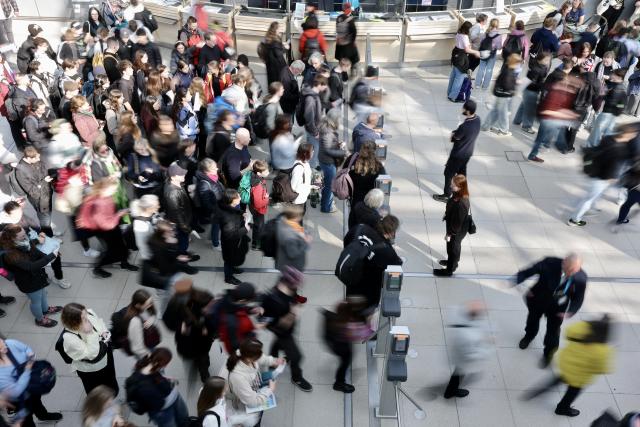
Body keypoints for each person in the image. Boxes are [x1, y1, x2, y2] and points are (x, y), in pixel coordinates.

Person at [524, 315, 613, 417]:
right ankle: (562, 408)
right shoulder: (603, 350)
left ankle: (538, 391)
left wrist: (587, 323)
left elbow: (567, 332)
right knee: (572, 392)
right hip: (579, 376)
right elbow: (602, 369)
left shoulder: (580, 328)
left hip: (566, 364)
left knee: (559, 379)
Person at [514, 253, 587, 367]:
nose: (571, 273)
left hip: (558, 309)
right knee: (532, 321)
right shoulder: (550, 263)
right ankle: (529, 336)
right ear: (564, 262)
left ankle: (548, 353)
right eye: (569, 269)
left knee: (553, 332)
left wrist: (570, 312)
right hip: (538, 300)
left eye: (575, 270)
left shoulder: (580, 278)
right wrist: (518, 279)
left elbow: (578, 298)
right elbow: (530, 271)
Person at [568, 124, 638, 226]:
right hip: (602, 178)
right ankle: (574, 220)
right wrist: (612, 179)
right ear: (626, 135)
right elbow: (613, 169)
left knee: (594, 195)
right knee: (588, 199)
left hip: (595, 171)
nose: (633, 136)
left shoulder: (608, 138)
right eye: (632, 135)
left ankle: (592, 208)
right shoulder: (621, 150)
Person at [261, 268, 313, 392]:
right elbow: (280, 325)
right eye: (297, 284)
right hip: (281, 330)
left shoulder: (288, 287)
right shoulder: (276, 301)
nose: (298, 286)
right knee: (297, 357)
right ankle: (297, 378)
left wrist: (297, 300)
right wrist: (294, 313)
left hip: (284, 329)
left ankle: (272, 362)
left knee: (278, 343)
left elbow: (294, 296)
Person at [0, 224, 62, 327]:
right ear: (12, 238)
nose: (26, 237)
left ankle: (45, 310)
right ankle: (40, 319)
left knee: (42, 294)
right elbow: (30, 267)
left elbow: (36, 251)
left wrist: (45, 256)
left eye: (25, 234)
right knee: (36, 301)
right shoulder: (10, 254)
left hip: (37, 276)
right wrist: (51, 256)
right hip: (27, 281)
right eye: (22, 236)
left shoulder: (23, 242)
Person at [76, 178, 137, 278]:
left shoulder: (105, 196)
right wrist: (119, 214)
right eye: (113, 189)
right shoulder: (99, 203)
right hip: (105, 230)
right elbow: (105, 224)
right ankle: (97, 268)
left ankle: (124, 263)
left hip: (112, 226)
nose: (115, 191)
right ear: (105, 189)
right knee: (111, 251)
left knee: (122, 246)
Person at [0, 335, 63, 426]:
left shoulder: (10, 343)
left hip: (32, 386)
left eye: (2, 341)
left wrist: (30, 355)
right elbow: (16, 391)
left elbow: (26, 348)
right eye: (0, 347)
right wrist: (27, 370)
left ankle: (42, 415)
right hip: (20, 400)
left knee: (37, 402)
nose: (5, 346)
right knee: (27, 421)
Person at [59, 302, 119, 395]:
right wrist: (89, 333)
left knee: (110, 377)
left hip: (106, 355)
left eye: (86, 314)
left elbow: (99, 322)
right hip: (92, 369)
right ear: (74, 322)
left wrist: (103, 332)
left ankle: (112, 393)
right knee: (96, 390)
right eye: (83, 318)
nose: (87, 318)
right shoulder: (69, 338)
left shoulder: (88, 313)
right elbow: (92, 354)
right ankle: (98, 406)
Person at [218, 338, 282, 425]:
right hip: (242, 399)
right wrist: (270, 390)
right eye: (258, 354)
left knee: (270, 378)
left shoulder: (243, 353)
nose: (261, 355)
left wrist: (274, 361)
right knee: (255, 416)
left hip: (252, 384)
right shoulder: (238, 377)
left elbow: (261, 357)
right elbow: (252, 402)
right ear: (249, 359)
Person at [527, 60, 581, 163]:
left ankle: (538, 150)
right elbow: (551, 106)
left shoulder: (556, 82)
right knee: (557, 135)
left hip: (548, 117)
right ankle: (545, 149)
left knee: (544, 135)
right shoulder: (558, 91)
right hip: (550, 118)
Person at [344, 215, 402, 310]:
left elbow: (347, 241)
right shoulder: (387, 251)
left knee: (351, 309)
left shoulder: (360, 229)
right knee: (363, 315)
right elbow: (396, 266)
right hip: (369, 291)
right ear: (392, 233)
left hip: (352, 281)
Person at [163, 278, 214, 383]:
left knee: (203, 356)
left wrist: (207, 326)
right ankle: (196, 363)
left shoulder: (204, 297)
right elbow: (168, 321)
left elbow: (213, 315)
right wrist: (179, 326)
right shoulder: (174, 304)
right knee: (190, 354)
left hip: (202, 336)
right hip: (185, 337)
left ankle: (204, 373)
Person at [125, 348, 190, 427]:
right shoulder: (145, 388)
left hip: (171, 400)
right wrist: (171, 385)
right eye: (166, 364)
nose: (166, 366)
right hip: (163, 412)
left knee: (183, 418)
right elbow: (160, 404)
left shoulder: (147, 364)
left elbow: (160, 376)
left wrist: (166, 380)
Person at [434, 100, 481, 203]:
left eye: (464, 108)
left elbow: (454, 138)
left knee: (448, 173)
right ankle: (463, 191)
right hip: (468, 153)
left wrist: (453, 133)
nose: (462, 109)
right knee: (462, 173)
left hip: (457, 155)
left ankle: (447, 195)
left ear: (468, 111)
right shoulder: (477, 119)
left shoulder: (464, 126)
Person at [322, 296, 371, 393]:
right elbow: (366, 334)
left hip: (333, 339)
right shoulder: (349, 327)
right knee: (345, 362)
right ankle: (339, 383)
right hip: (340, 346)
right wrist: (369, 321)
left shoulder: (339, 315)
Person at [444, 301, 490, 399]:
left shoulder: (460, 315)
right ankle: (450, 392)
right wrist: (485, 349)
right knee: (457, 376)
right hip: (461, 358)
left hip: (457, 351)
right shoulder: (467, 336)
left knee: (457, 375)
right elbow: (470, 354)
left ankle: (451, 390)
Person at [434, 175, 472, 277]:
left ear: (460, 187)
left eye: (453, 185)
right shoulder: (458, 194)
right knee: (453, 247)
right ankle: (453, 262)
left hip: (456, 230)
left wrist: (450, 234)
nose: (451, 186)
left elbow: (457, 223)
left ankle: (449, 270)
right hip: (454, 225)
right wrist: (447, 214)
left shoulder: (462, 203)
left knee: (453, 247)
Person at [14, 146, 54, 236]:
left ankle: (49, 233)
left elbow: (44, 171)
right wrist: (44, 181)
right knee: (45, 220)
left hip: (46, 194)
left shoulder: (36, 161)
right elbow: (32, 192)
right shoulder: (20, 172)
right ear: (28, 158)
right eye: (37, 158)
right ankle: (49, 237)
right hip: (39, 200)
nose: (39, 159)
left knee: (48, 217)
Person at [346, 141, 386, 224]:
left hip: (355, 198)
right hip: (370, 201)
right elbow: (382, 185)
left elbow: (345, 173)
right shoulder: (378, 166)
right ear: (374, 152)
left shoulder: (352, 159)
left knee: (354, 219)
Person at [480, 54, 520, 136]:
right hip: (504, 95)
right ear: (514, 63)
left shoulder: (506, 68)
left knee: (495, 111)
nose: (519, 65)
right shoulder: (509, 72)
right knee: (503, 114)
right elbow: (507, 85)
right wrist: (514, 87)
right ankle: (503, 130)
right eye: (518, 63)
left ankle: (485, 126)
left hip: (499, 94)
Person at [586, 69, 626, 147]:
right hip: (613, 113)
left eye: (613, 74)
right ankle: (602, 148)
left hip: (607, 113)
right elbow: (622, 103)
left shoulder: (617, 89)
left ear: (619, 76)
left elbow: (614, 102)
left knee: (597, 131)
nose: (611, 75)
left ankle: (591, 147)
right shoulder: (621, 86)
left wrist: (604, 94)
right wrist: (618, 110)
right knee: (607, 132)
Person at [217, 189, 249, 285]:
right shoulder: (228, 218)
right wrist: (245, 229)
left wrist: (241, 213)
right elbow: (230, 235)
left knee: (232, 257)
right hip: (230, 242)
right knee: (229, 259)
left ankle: (233, 269)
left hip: (232, 241)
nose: (240, 198)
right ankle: (228, 277)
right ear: (232, 200)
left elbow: (233, 210)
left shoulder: (227, 206)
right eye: (238, 197)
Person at [216, 282, 260, 354]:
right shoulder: (232, 322)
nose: (249, 302)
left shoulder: (229, 298)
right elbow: (235, 344)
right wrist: (253, 334)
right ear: (242, 300)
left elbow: (238, 307)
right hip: (238, 349)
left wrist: (250, 310)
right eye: (249, 301)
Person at [513, 52, 551, 134]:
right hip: (531, 90)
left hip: (530, 89)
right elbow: (532, 82)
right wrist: (542, 85)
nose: (548, 62)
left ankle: (517, 120)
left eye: (549, 60)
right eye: (546, 60)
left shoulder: (542, 67)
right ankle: (527, 126)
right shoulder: (536, 69)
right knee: (530, 109)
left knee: (523, 105)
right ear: (540, 59)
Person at [162, 161, 193, 255]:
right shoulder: (173, 193)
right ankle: (182, 257)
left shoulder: (177, 184)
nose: (184, 175)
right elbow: (177, 214)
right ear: (173, 176)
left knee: (182, 242)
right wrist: (186, 228)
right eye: (181, 174)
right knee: (182, 243)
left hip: (184, 220)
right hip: (181, 224)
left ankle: (183, 254)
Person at [319, 108, 346, 213]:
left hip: (326, 160)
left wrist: (338, 144)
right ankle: (326, 207)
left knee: (327, 184)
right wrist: (343, 152)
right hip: (328, 162)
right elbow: (328, 150)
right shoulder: (327, 132)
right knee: (329, 186)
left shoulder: (327, 128)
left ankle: (326, 201)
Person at [121, 289, 160, 359]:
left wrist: (151, 320)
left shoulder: (147, 308)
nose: (151, 305)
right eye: (148, 304)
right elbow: (136, 348)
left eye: (151, 302)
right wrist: (150, 356)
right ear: (138, 305)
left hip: (148, 340)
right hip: (145, 353)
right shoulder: (135, 322)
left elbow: (153, 315)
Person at [448, 22, 480, 102]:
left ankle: (449, 93)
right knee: (459, 78)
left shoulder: (458, 34)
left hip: (456, 55)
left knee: (453, 76)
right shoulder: (465, 37)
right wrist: (475, 52)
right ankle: (453, 97)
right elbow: (467, 50)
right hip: (461, 58)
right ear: (467, 29)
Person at [475, 18, 502, 94]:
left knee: (481, 68)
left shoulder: (486, 33)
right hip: (491, 54)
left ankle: (477, 84)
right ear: (497, 25)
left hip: (483, 52)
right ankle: (485, 86)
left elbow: (481, 42)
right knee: (489, 70)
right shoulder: (498, 36)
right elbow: (499, 47)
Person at [131, 194, 160, 263]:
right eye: (157, 205)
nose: (159, 207)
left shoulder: (150, 215)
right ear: (149, 208)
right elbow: (142, 246)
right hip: (151, 257)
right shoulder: (141, 226)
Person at [261, 21, 288, 86]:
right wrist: (285, 48)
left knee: (271, 81)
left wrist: (281, 45)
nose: (280, 30)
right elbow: (278, 54)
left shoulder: (267, 37)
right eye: (279, 28)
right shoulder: (275, 40)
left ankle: (272, 92)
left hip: (269, 64)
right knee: (278, 82)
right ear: (276, 29)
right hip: (276, 66)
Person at [335, 3, 359, 67]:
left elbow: (337, 30)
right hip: (348, 45)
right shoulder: (350, 19)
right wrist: (353, 41)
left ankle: (342, 75)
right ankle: (352, 74)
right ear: (348, 9)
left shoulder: (338, 18)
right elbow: (354, 31)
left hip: (340, 44)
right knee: (353, 62)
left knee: (341, 63)